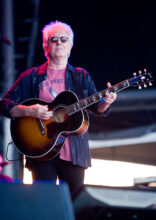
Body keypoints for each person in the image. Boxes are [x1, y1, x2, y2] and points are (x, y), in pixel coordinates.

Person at [0, 21, 117, 194]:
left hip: (75, 154)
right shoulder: (31, 77)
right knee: (43, 203)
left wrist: (107, 101)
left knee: (73, 205)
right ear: (45, 45)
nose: (59, 42)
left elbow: (97, 109)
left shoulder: (81, 76)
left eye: (64, 39)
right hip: (40, 151)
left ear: (71, 45)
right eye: (53, 39)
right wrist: (29, 110)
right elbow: (4, 104)